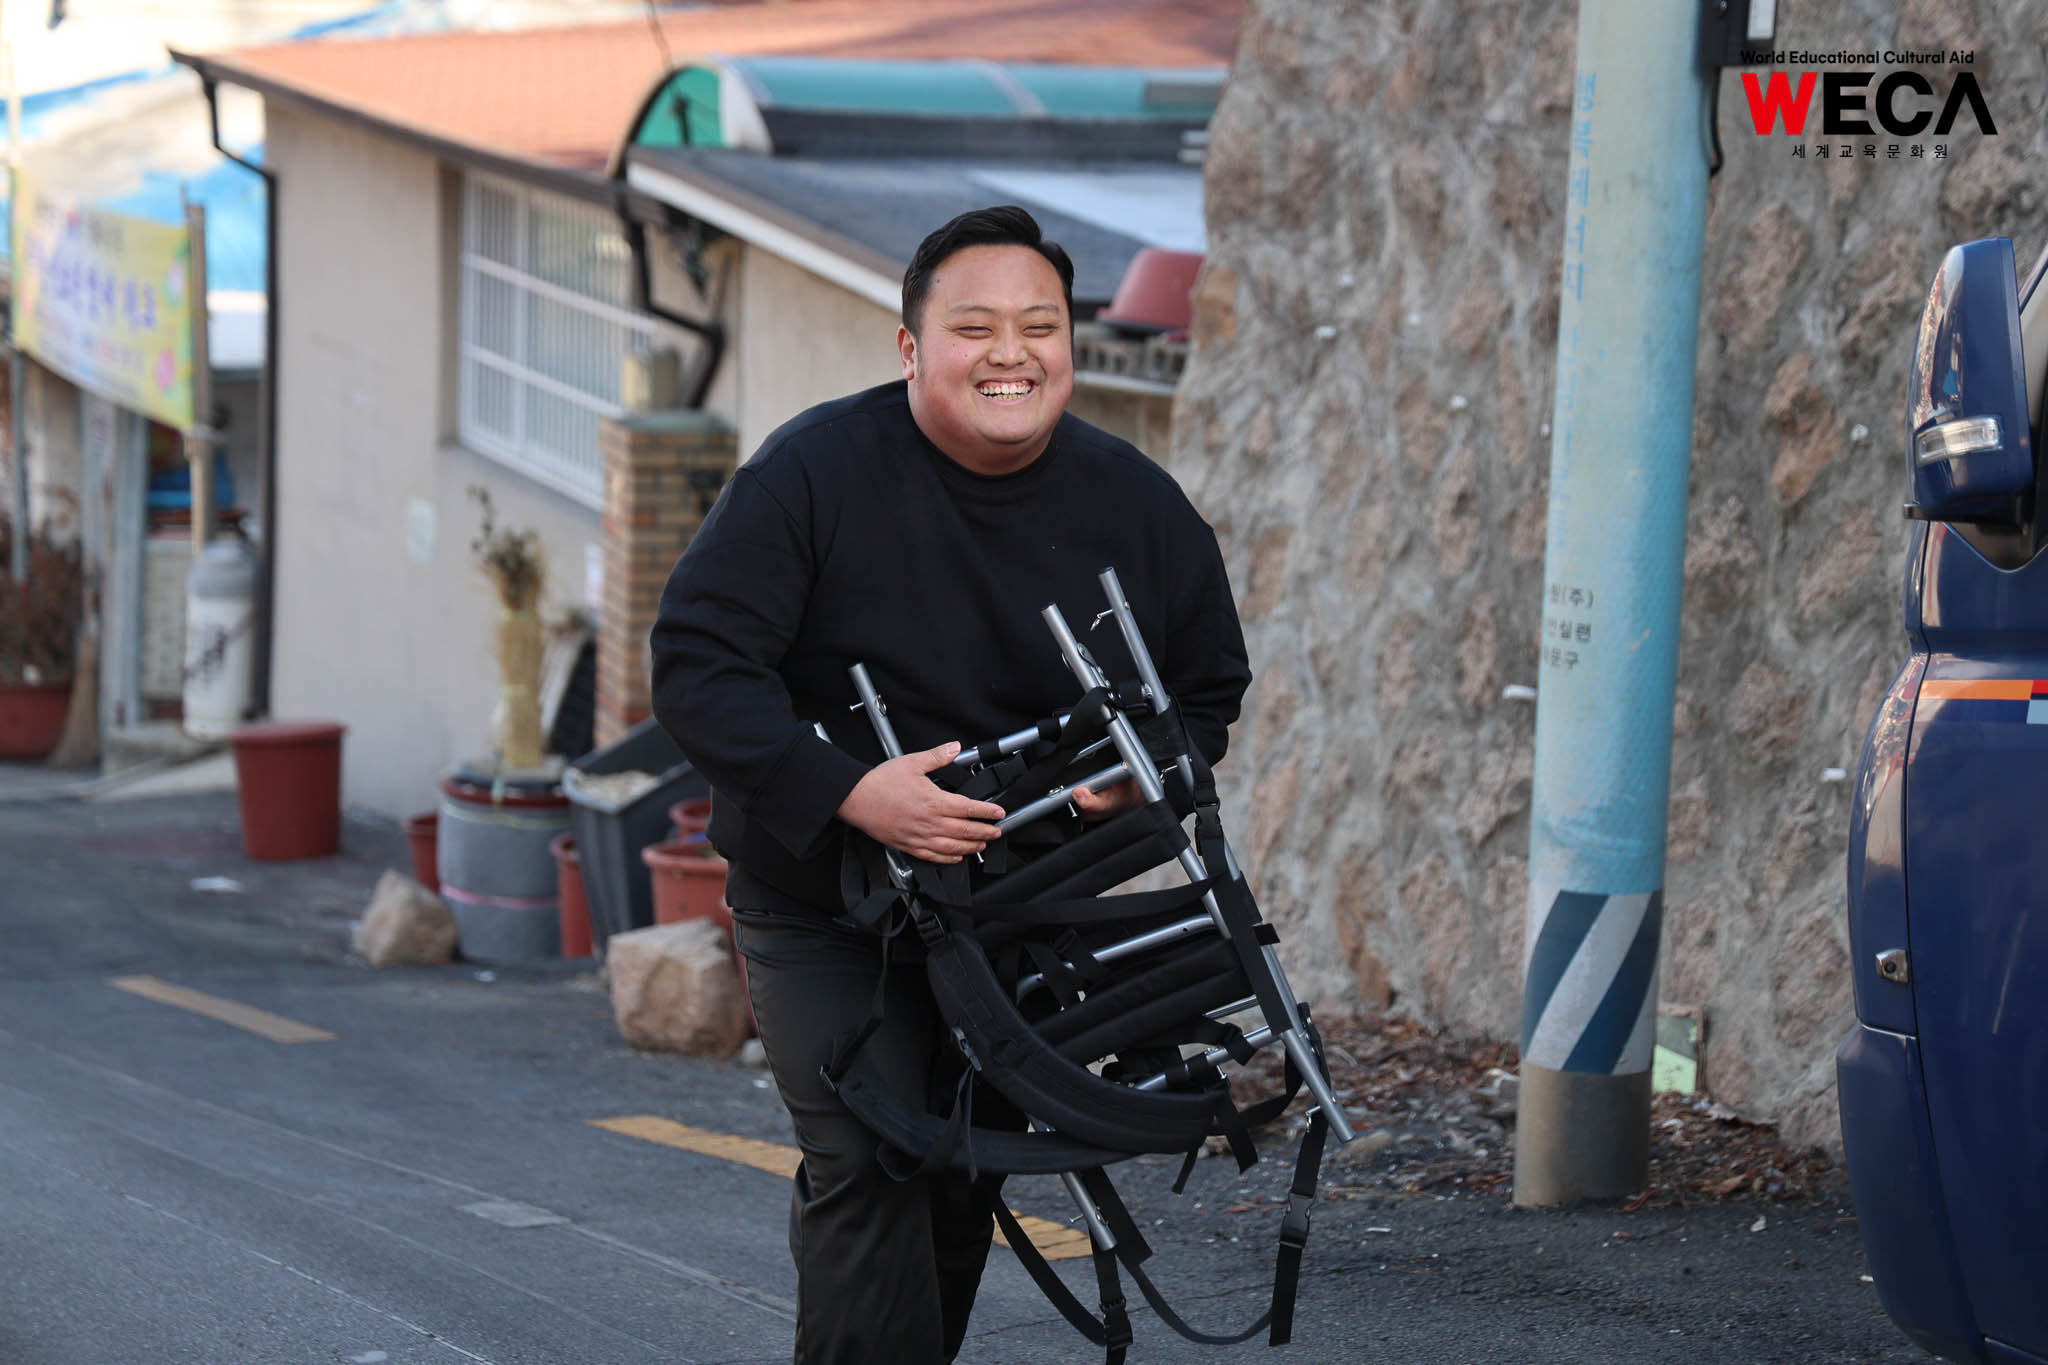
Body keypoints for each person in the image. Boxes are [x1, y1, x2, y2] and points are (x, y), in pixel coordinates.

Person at [649, 204, 1251, 1365]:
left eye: (1039, 326)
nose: (1009, 353)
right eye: (973, 328)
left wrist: (1137, 781)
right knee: (874, 1161)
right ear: (911, 347)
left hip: (1016, 912)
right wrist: (849, 790)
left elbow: (1203, 694)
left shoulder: (1136, 503)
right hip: (825, 904)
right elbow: (696, 664)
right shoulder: (812, 474)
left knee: (961, 1174)